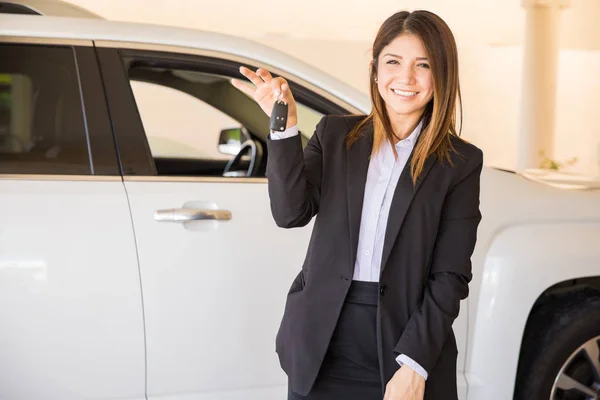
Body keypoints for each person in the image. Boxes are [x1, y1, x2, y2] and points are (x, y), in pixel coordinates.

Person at [231, 9, 483, 400]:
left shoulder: (460, 163)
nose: (406, 78)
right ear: (375, 69)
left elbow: (449, 276)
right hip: (321, 343)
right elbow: (290, 213)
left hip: (403, 345)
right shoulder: (334, 135)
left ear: (442, 75)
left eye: (423, 65)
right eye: (393, 62)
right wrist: (283, 126)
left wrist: (415, 364)